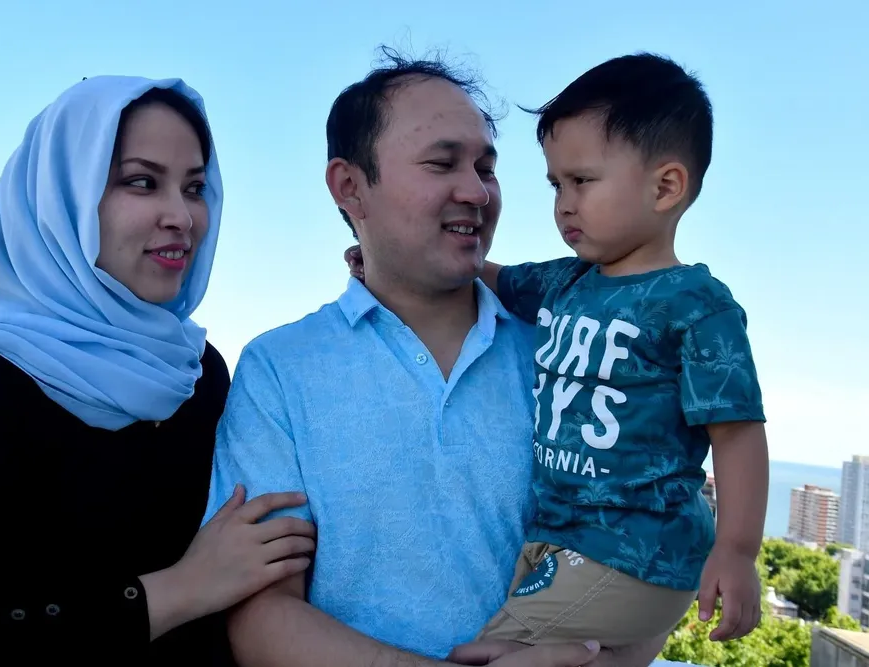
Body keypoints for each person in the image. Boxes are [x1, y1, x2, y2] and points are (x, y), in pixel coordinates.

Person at [205, 48, 667, 667]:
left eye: (486, 167)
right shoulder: (278, 370)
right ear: (350, 187)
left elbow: (650, 544)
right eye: (441, 162)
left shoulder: (571, 351)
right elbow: (261, 618)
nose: (476, 191)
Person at [0, 75, 315, 665]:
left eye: (195, 187)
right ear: (63, 198)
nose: (182, 216)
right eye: (141, 182)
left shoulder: (198, 371)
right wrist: (175, 591)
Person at [348, 53, 769, 663]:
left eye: (583, 181)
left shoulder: (696, 306)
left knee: (485, 652)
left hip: (635, 546)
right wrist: (378, 258)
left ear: (666, 186)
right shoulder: (564, 283)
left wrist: (737, 551)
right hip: (565, 542)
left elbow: (737, 435)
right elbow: (486, 274)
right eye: (555, 185)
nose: (563, 204)